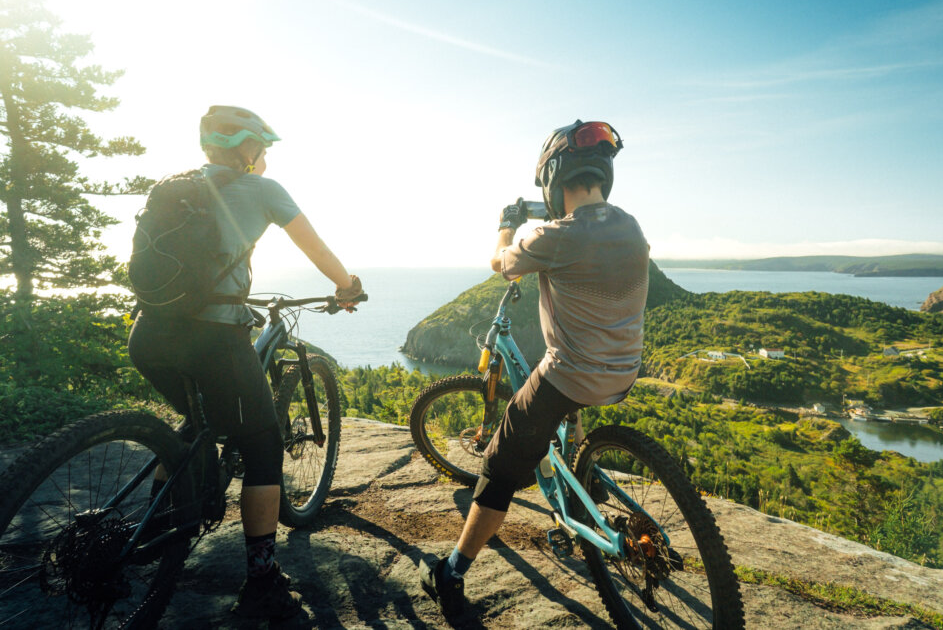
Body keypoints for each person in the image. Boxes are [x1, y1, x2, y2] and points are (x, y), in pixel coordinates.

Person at [128, 105, 362, 620]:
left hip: (148, 335)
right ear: (248, 148)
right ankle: (262, 580)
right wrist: (346, 287)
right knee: (262, 444)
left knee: (197, 421)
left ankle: (155, 523)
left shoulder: (174, 187)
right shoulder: (265, 190)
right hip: (212, 338)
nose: (264, 156)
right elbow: (315, 247)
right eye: (262, 148)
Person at [419, 120, 649, 616]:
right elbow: (587, 221)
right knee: (566, 412)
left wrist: (508, 221)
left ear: (551, 176)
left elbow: (501, 262)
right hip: (625, 370)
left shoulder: (552, 237)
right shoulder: (630, 226)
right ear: (603, 174)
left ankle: (452, 571)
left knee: (499, 468)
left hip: (569, 376)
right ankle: (577, 483)